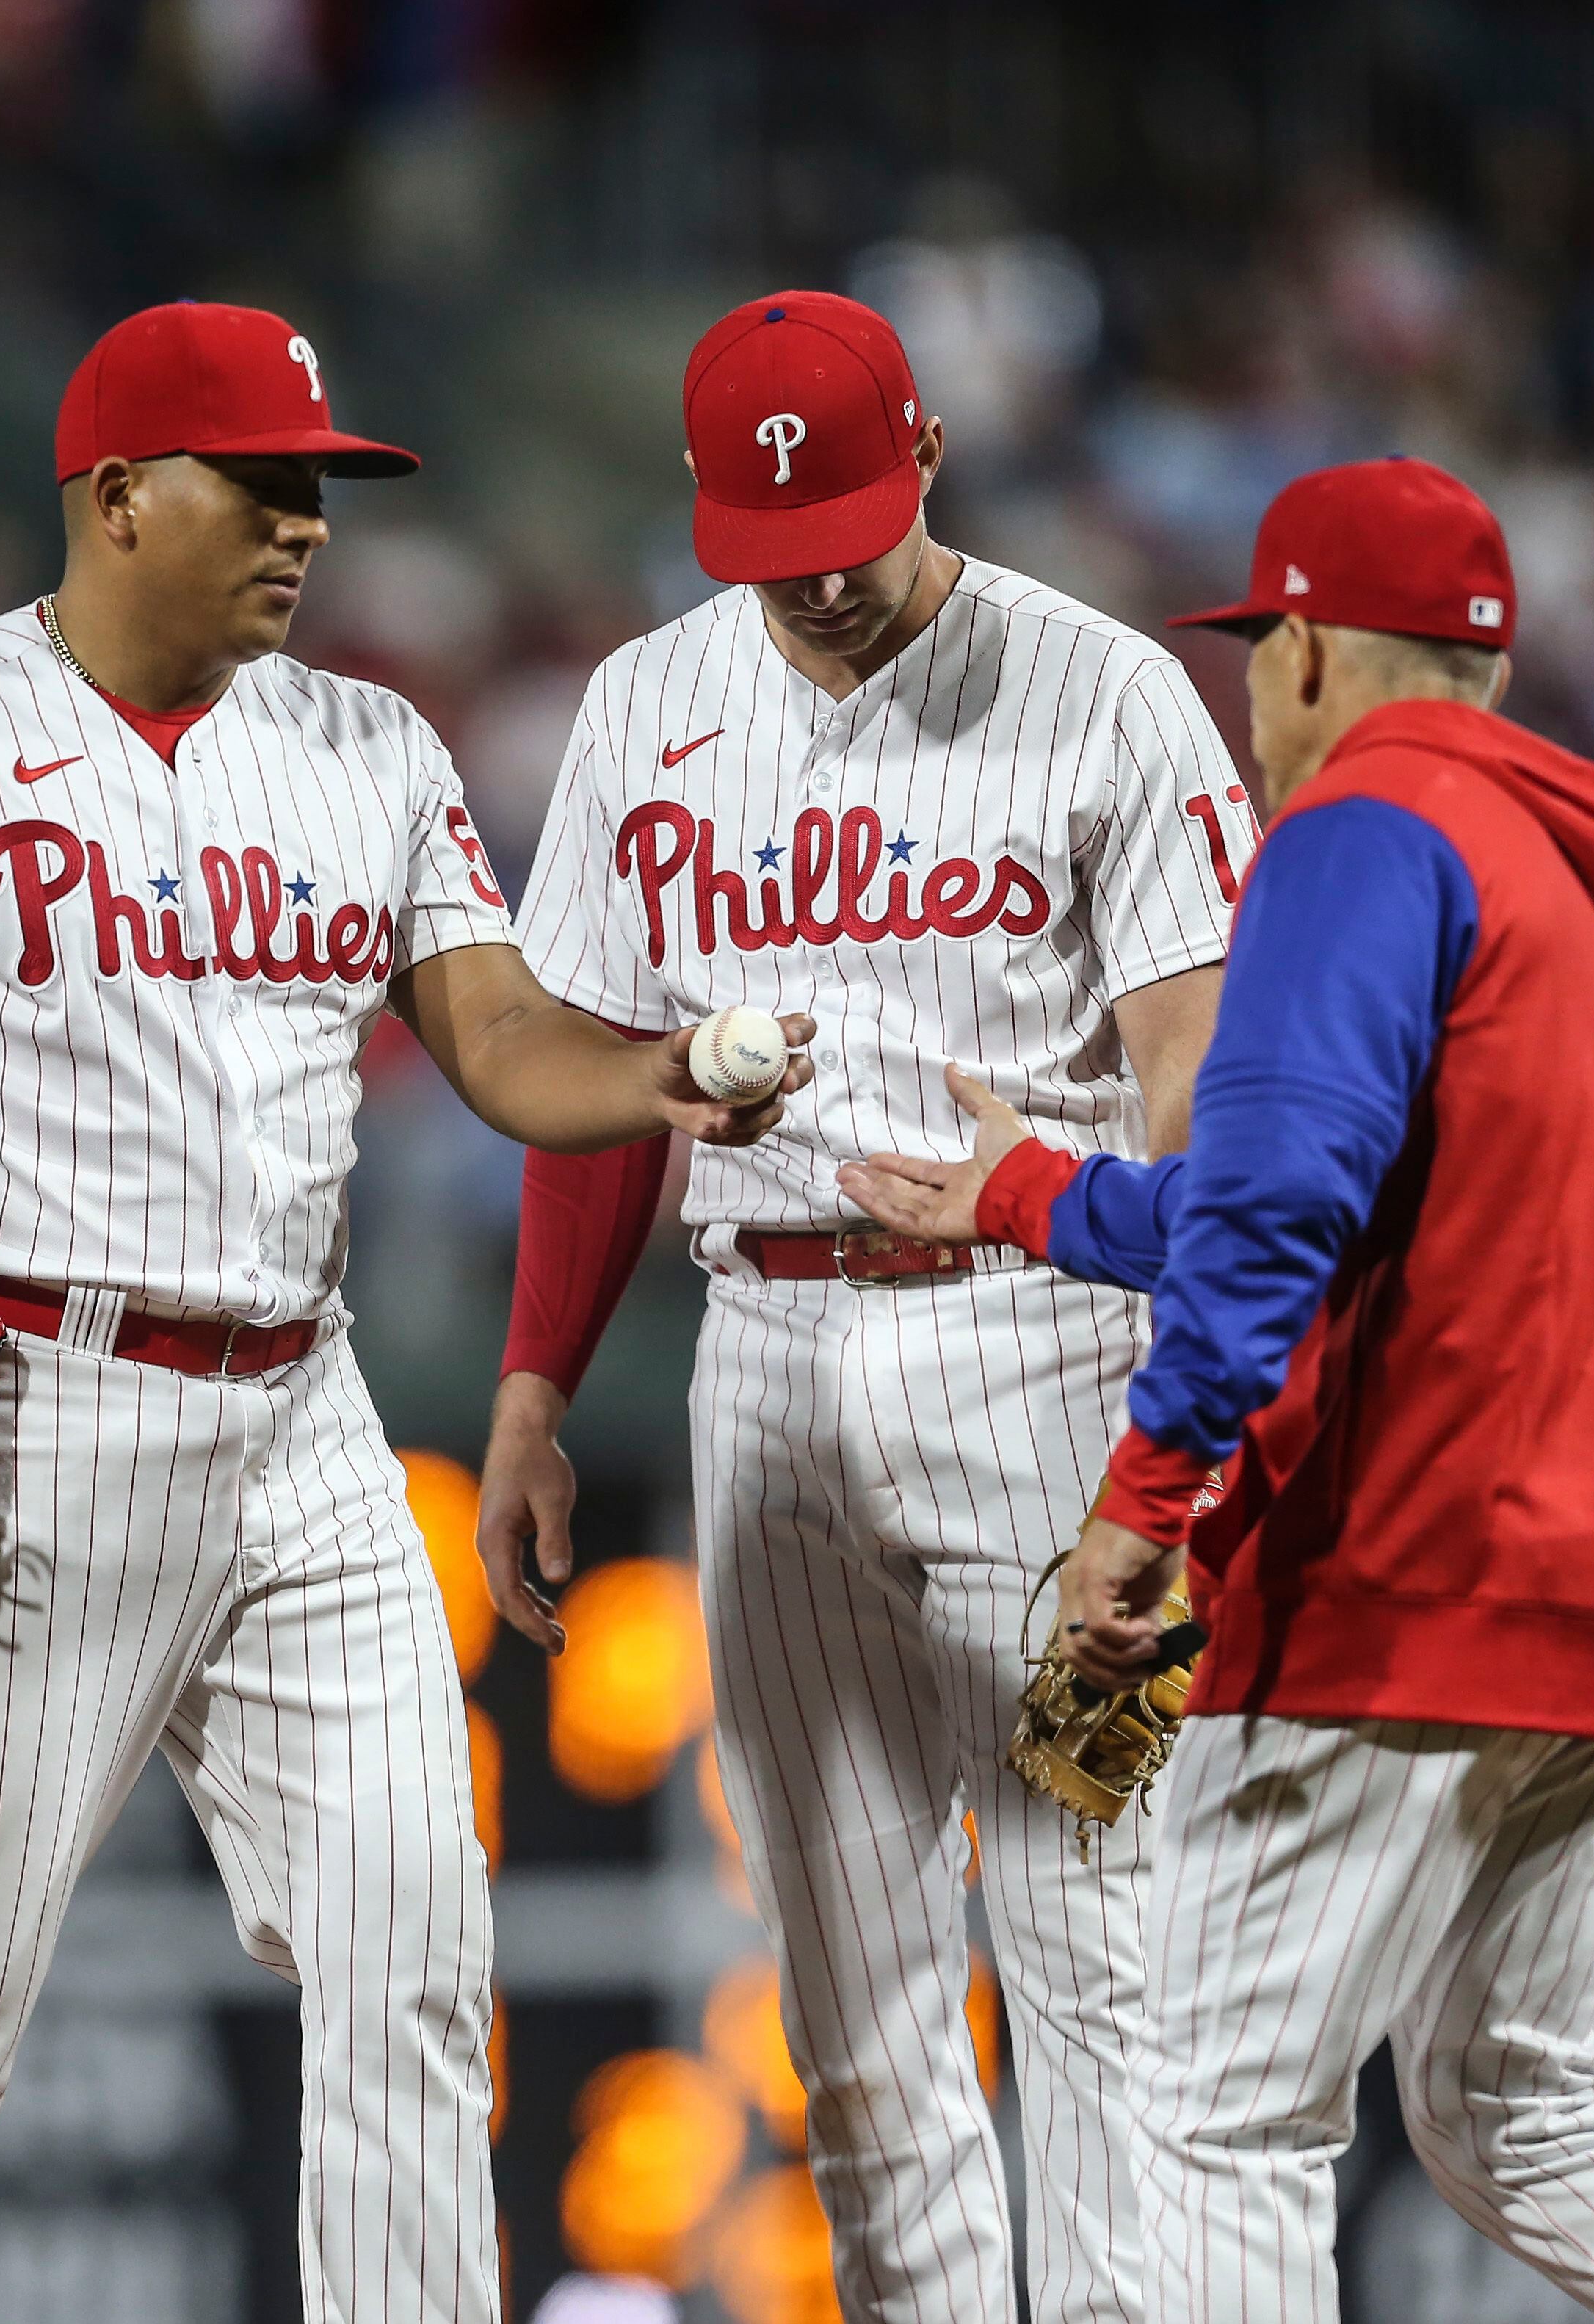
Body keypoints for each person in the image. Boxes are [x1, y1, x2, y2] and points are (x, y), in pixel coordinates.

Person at [0, 299, 809, 2324]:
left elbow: (492, 1032)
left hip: (304, 1411)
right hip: (18, 1404)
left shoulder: (367, 744)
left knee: (411, 1955)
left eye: (318, 489)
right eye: (259, 483)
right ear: (116, 496)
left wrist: (659, 1073)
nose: (303, 524)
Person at [841, 457, 1594, 2324]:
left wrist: (1145, 1498)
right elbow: (1347, 1189)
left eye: (1258, 654)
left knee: (1210, 2118)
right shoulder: (1587, 900)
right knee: (1520, 2118)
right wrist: (1030, 1194)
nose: (1249, 695)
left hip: (1412, 1571)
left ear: (1307, 644)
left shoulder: (1356, 833)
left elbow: (1284, 1199)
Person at [479, 290, 1246, 2324]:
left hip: (1049, 1347)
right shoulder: (647, 702)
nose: (809, 585)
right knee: (847, 2003)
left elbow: (1200, 1089)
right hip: (766, 1362)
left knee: (1102, 1964)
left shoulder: (1106, 695)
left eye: (842, 537)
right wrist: (534, 1383)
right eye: (763, 548)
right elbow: (588, 1080)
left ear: (924, 448)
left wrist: (1171, 1435)